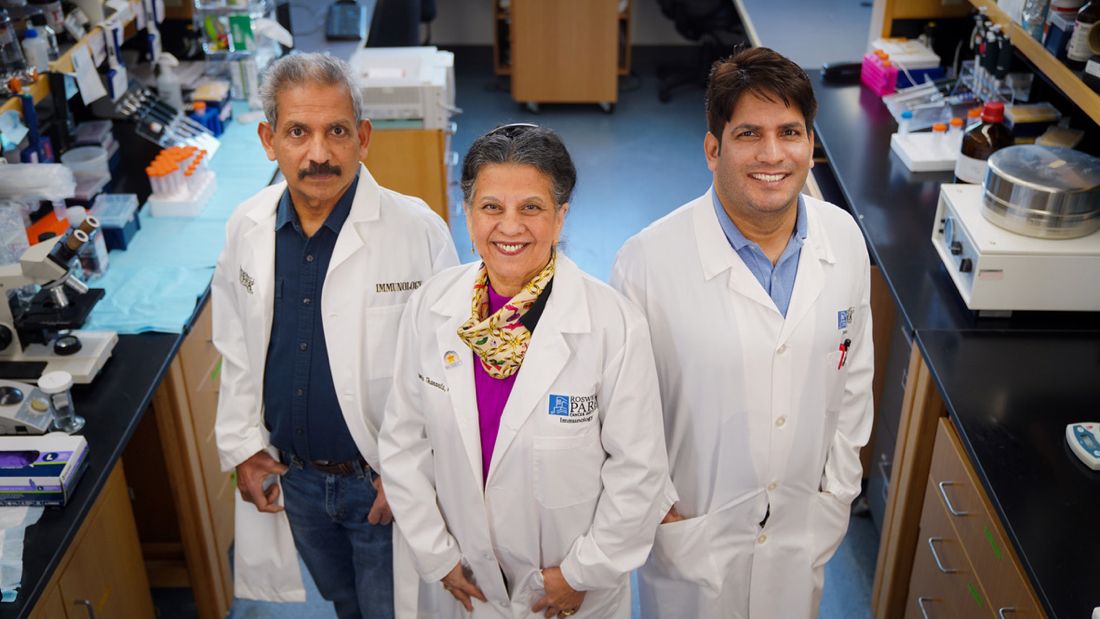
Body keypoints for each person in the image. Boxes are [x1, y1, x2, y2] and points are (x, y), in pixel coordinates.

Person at [611, 47, 874, 619]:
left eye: (790, 132)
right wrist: (658, 506)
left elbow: (853, 376)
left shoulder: (843, 239)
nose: (772, 154)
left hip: (802, 527)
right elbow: (624, 413)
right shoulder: (648, 262)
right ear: (713, 149)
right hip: (695, 536)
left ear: (811, 144)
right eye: (749, 133)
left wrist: (838, 489)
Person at [379, 124, 675, 618]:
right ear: (468, 215)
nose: (509, 227)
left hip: (567, 593)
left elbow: (640, 472)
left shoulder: (612, 325)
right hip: (462, 584)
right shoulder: (431, 307)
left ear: (561, 217)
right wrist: (438, 556)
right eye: (491, 207)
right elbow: (403, 443)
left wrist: (582, 574)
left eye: (531, 208)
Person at [212, 52, 458, 618]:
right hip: (293, 479)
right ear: (268, 139)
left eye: (337, 131)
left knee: (390, 607)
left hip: (380, 487)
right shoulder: (247, 228)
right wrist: (243, 446)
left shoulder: (417, 231)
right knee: (343, 602)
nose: (319, 153)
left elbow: (447, 368)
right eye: (298, 132)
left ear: (363, 137)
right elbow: (236, 346)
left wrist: (413, 476)